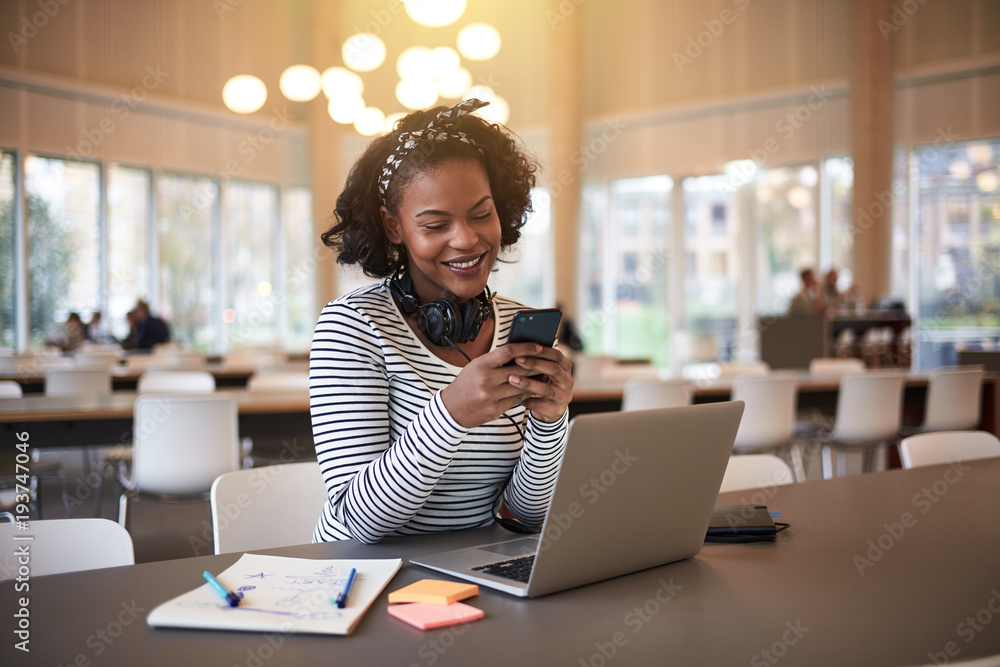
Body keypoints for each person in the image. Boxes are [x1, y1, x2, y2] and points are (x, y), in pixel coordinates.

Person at [310, 98, 573, 544]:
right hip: (365, 577)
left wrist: (550, 423)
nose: (467, 239)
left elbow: (529, 514)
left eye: (481, 214)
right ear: (395, 228)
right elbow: (360, 523)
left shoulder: (514, 323)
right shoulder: (352, 325)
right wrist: (450, 413)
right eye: (435, 225)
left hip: (473, 570)